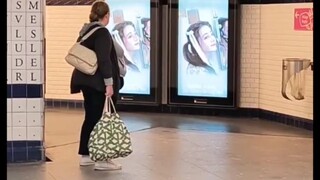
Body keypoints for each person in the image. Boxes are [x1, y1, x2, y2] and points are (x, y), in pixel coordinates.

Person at [70, 1, 122, 171]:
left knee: (91, 118)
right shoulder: (102, 33)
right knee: (102, 120)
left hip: (86, 82)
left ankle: (86, 155)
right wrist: (109, 84)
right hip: (98, 84)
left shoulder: (86, 31)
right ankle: (102, 159)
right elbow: (104, 60)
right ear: (106, 15)